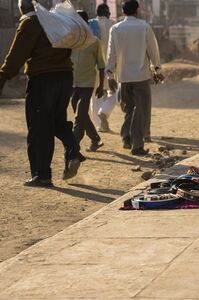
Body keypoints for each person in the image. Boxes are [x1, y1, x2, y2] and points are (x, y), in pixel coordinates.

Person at [0, 0, 85, 187]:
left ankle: (42, 175)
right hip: (65, 78)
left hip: (42, 81)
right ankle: (73, 150)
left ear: (23, 7)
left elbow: (16, 55)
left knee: (39, 128)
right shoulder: (54, 20)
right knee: (57, 121)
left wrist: (3, 76)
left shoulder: (29, 23)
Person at [106, 0, 162, 156]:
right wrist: (157, 69)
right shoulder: (144, 27)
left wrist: (110, 75)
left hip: (123, 77)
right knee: (140, 110)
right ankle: (137, 145)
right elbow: (153, 50)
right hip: (141, 76)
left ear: (123, 12)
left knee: (128, 108)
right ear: (137, 11)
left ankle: (126, 138)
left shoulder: (115, 29)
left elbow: (111, 54)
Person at [71, 10, 105, 152]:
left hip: (87, 83)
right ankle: (95, 139)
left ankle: (73, 145)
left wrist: (101, 86)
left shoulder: (95, 41)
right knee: (81, 115)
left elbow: (101, 66)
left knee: (80, 114)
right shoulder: (70, 41)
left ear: (85, 23)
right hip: (72, 83)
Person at [89, 3, 115, 132]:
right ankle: (104, 111)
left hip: (94, 66)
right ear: (108, 13)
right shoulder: (113, 25)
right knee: (115, 92)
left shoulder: (89, 24)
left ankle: (98, 125)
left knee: (95, 95)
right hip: (111, 66)